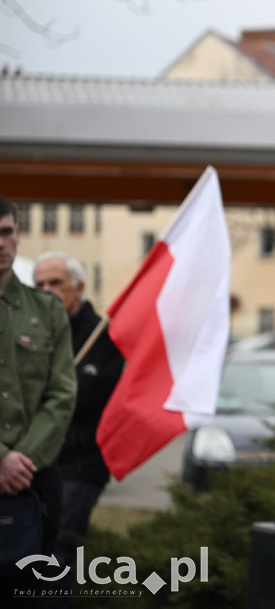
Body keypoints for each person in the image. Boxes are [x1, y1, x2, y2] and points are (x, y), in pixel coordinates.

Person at [33, 251, 124, 605]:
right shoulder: (30, 329)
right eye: (39, 284)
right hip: (31, 465)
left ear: (79, 288)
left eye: (55, 282)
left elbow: (80, 399)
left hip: (78, 466)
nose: (46, 290)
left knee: (57, 553)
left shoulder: (103, 338)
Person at [0, 196, 77, 596]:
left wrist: (19, 462)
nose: (1, 243)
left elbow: (62, 393)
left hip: (34, 481)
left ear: (17, 234)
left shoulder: (47, 311)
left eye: (6, 232)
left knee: (31, 593)